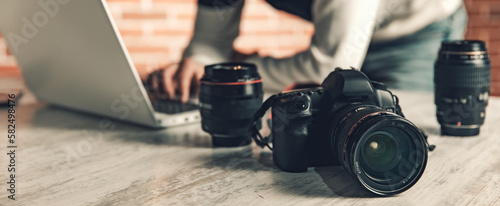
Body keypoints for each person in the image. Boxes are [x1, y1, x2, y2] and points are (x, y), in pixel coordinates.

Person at [145, 0, 467, 103]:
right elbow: (209, 46)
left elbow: (331, 63)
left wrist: (237, 70)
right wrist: (199, 65)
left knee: (400, 138)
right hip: (343, 38)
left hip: (415, 33)